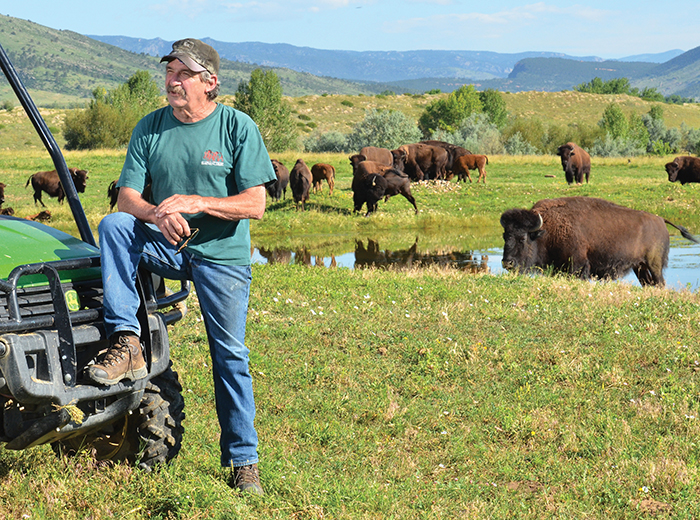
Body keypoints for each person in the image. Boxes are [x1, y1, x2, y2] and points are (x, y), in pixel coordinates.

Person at [89, 38, 276, 495]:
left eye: (183, 74)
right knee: (115, 225)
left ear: (209, 83)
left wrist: (199, 202)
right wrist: (155, 214)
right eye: (170, 72)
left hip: (222, 256)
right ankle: (128, 340)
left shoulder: (236, 126)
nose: (172, 81)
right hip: (168, 245)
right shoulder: (150, 127)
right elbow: (127, 196)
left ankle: (242, 461)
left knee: (229, 356)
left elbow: (256, 204)